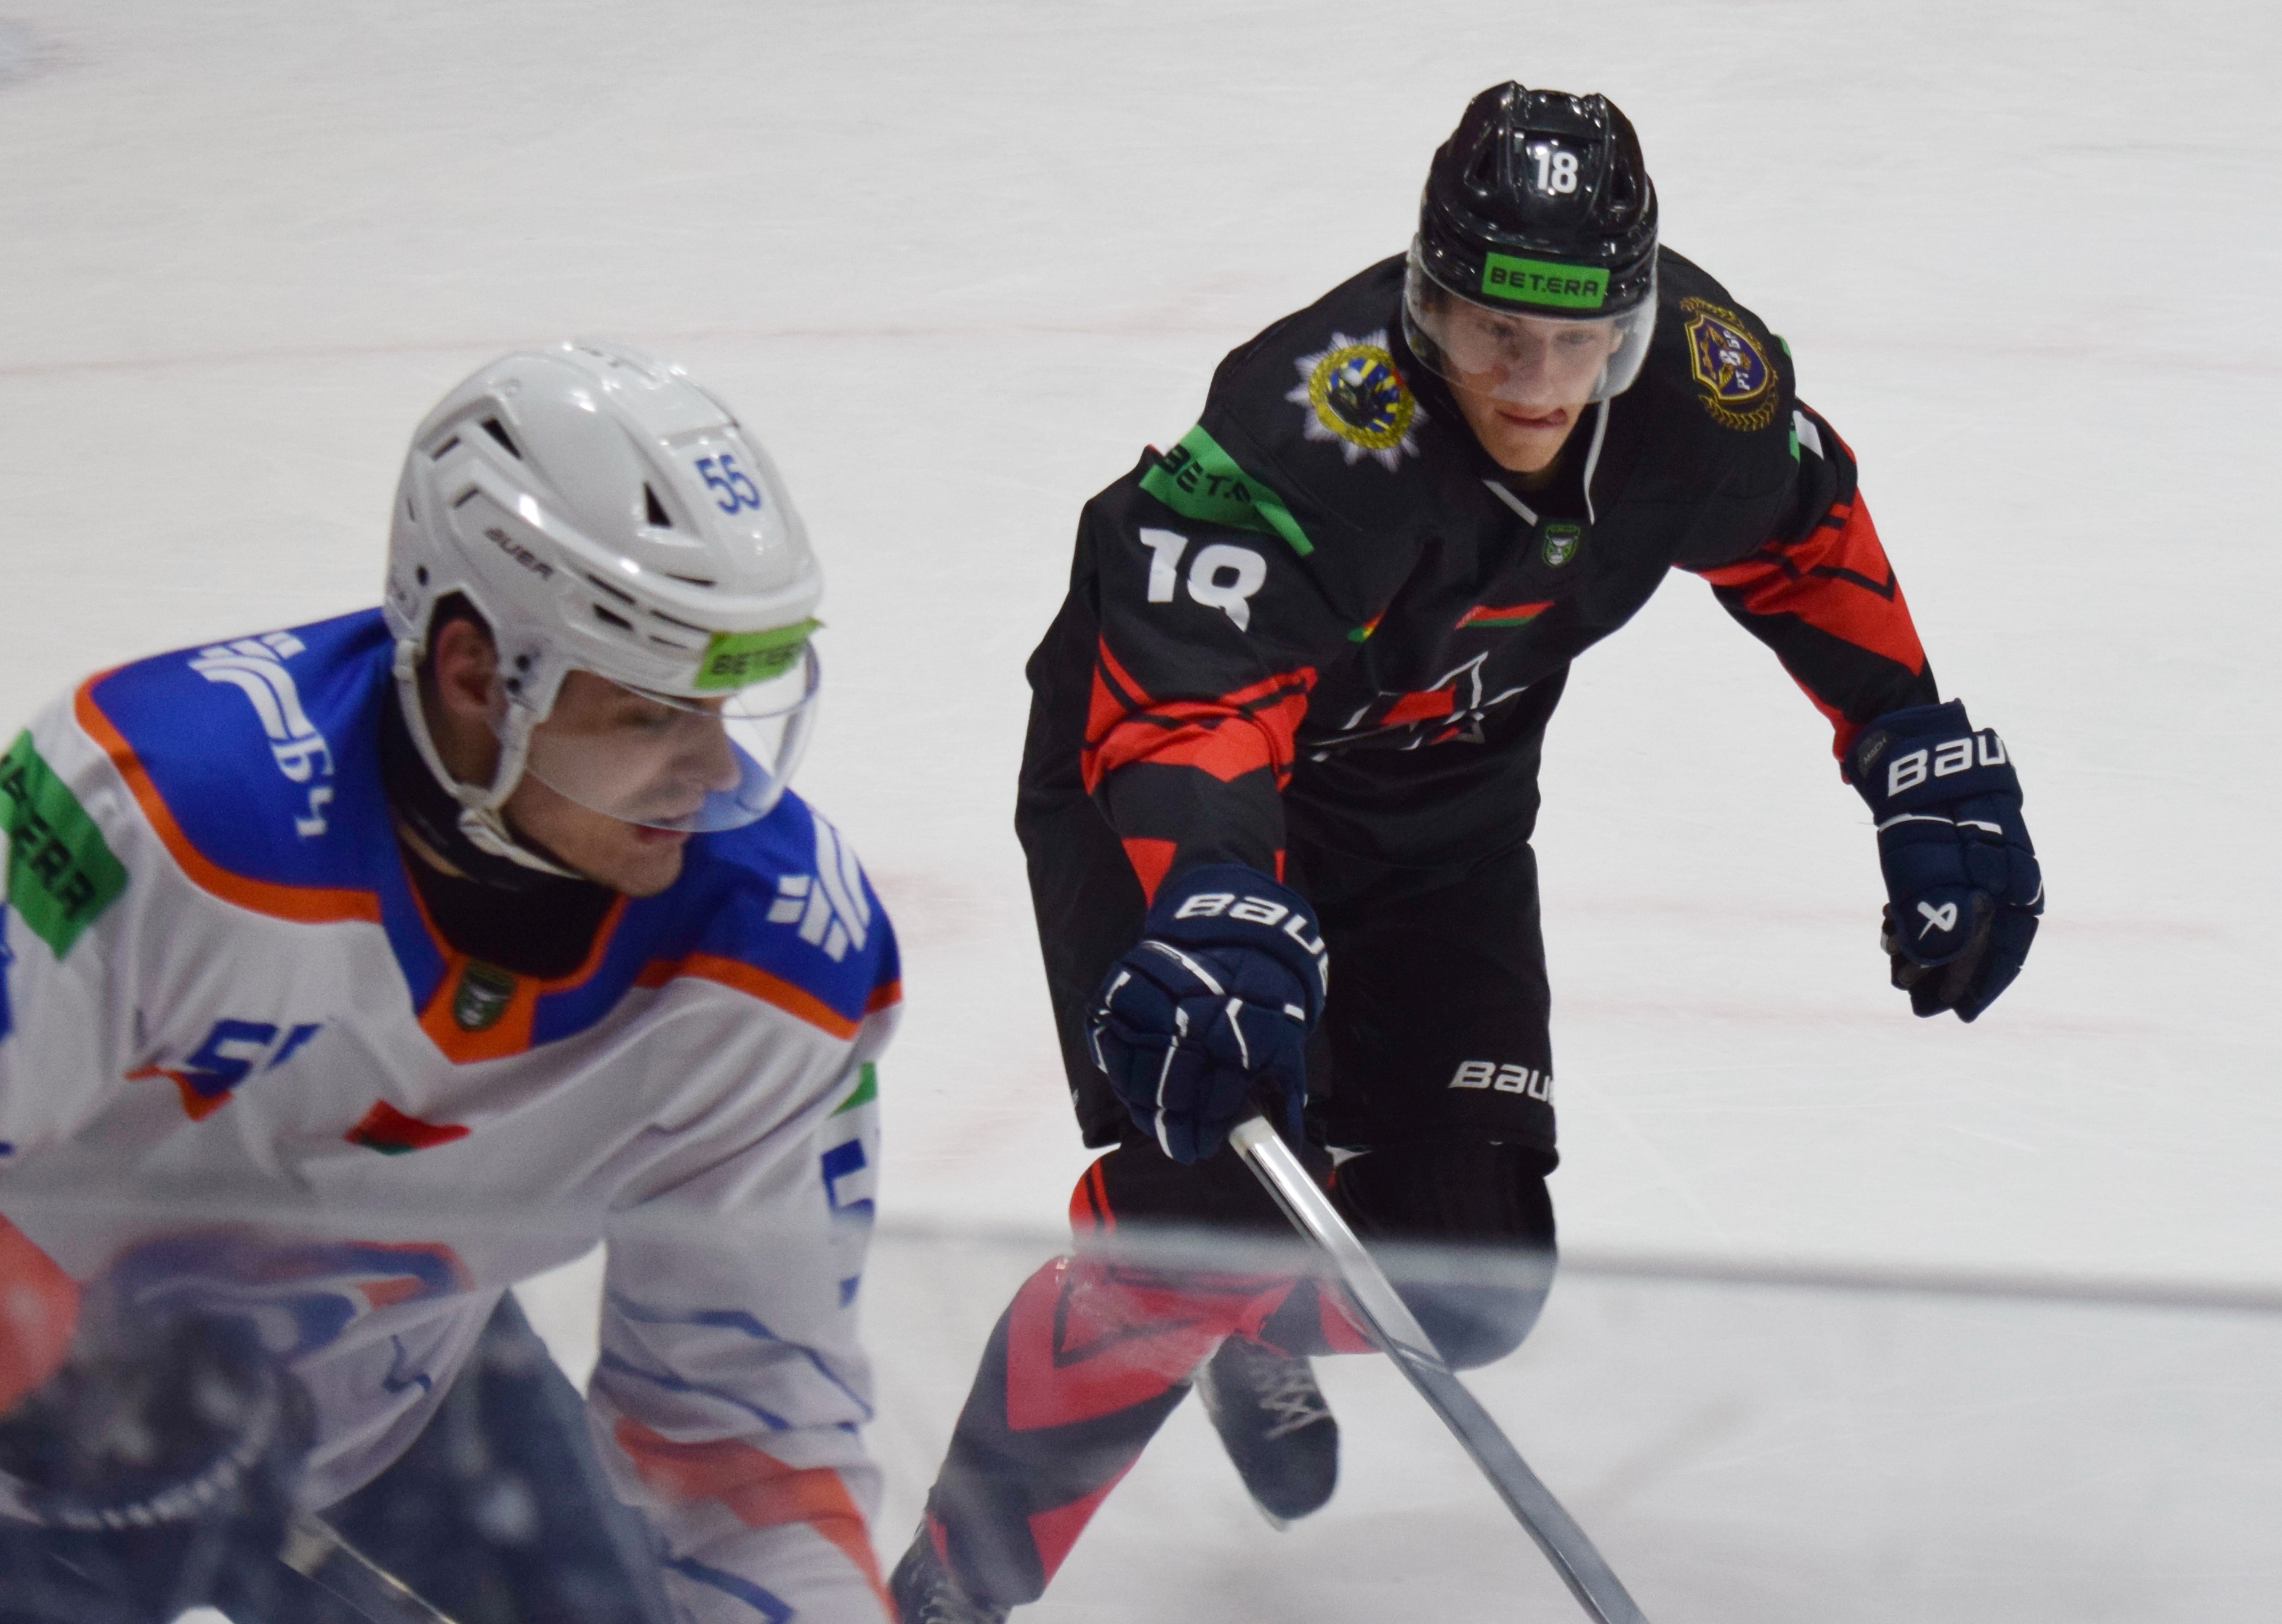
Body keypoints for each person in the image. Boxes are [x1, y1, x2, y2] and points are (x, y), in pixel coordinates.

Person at [889, 82, 2043, 1619]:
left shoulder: (1700, 390)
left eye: (1580, 340)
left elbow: (1803, 534)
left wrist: (1910, 745)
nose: (1537, 382)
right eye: (1497, 332)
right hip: (1183, 786)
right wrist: (1218, 896)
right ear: (1428, 299)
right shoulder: (1314, 419)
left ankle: (1244, 1319)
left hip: (1441, 812)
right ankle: (948, 1589)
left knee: (1468, 1271)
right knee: (1202, 1229)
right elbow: (1187, 696)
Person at [0, 343, 901, 1623]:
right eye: (652, 715)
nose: (713, 773)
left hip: (404, 1401)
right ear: (477, 674)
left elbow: (754, 1461)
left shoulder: (782, 956)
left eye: (723, 709)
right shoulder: (158, 815)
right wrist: (64, 1382)